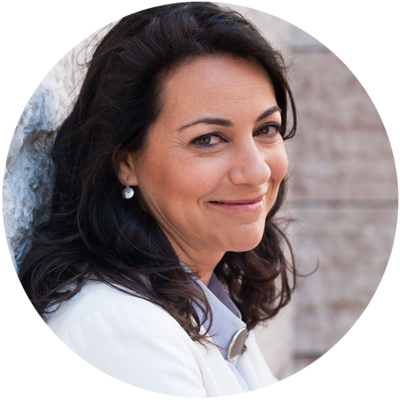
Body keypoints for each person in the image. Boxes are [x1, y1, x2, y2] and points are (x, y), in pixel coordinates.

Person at [18, 2, 297, 397]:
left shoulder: (204, 300)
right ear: (125, 163)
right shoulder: (120, 331)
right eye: (208, 139)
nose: (257, 172)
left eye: (266, 129)